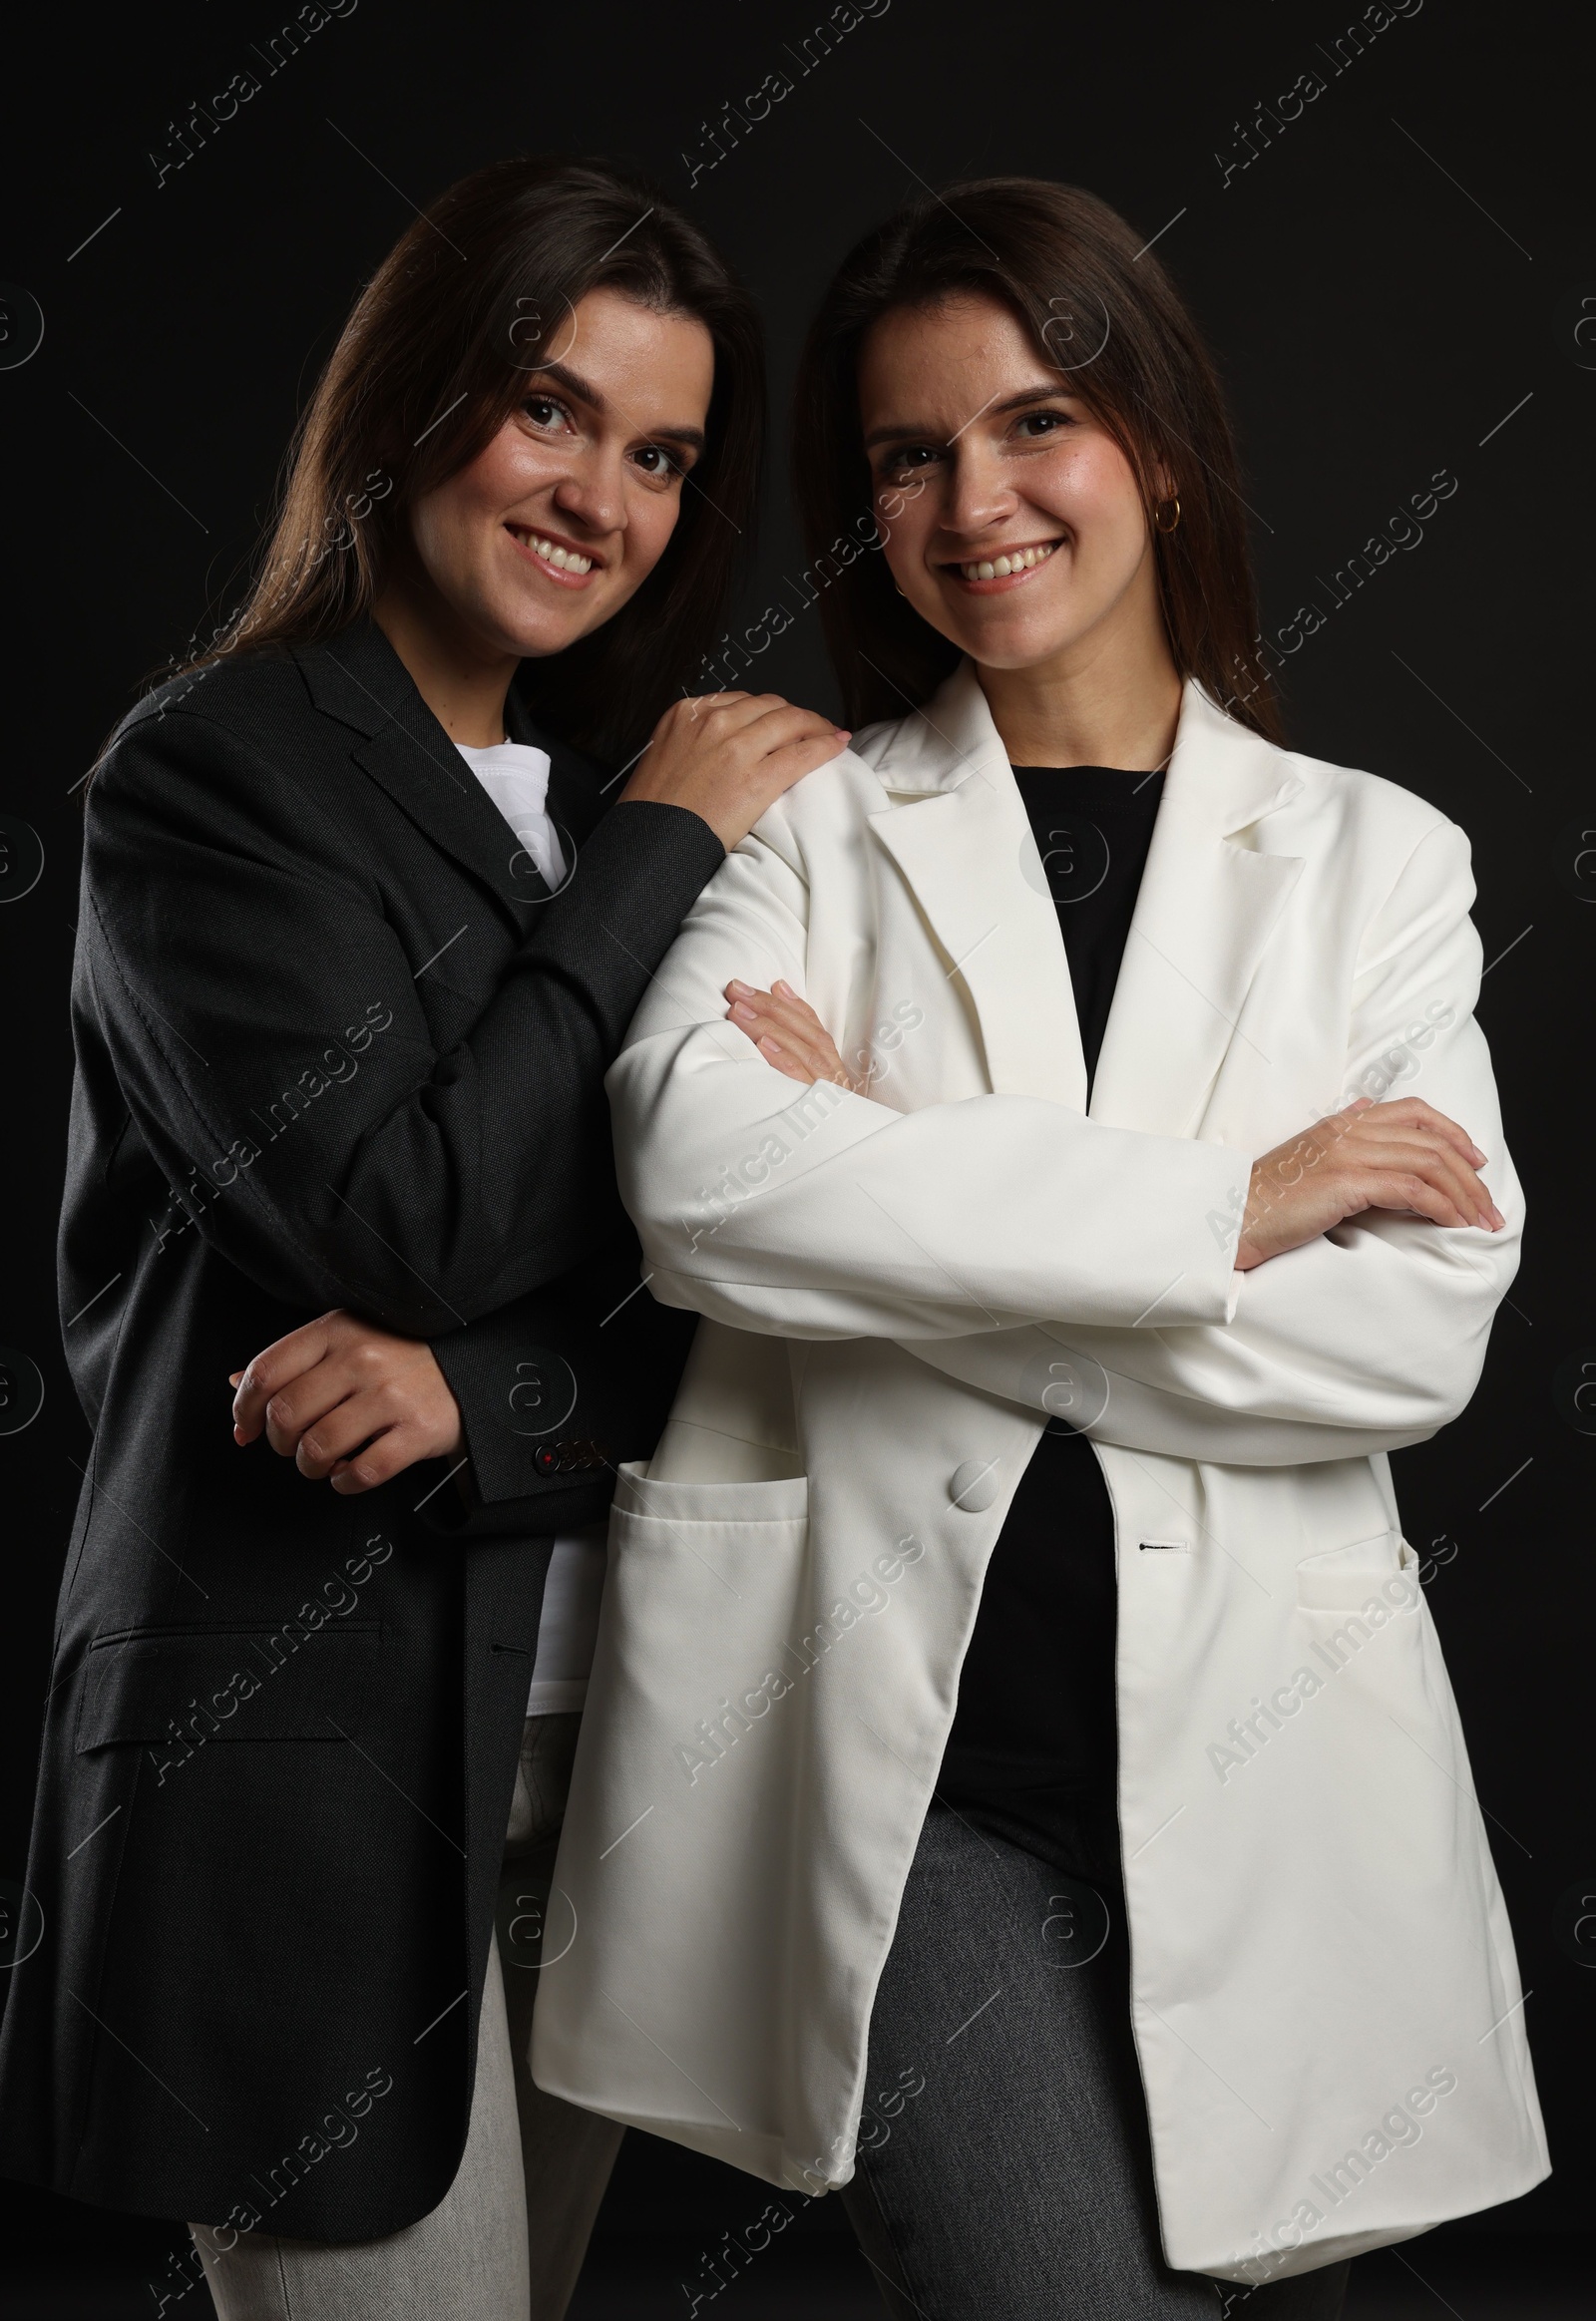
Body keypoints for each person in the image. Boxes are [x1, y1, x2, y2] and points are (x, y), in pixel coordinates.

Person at [529, 179, 1549, 2318]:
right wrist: (1229, 1214)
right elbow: (699, 1177)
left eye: (1030, 426)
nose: (971, 499)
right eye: (906, 456)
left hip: (1264, 1793)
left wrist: (897, 1191)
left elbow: (1409, 1336)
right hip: (897, 1798)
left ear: (1152, 447)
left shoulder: (1367, 859)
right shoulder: (802, 817)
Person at [0, 157, 846, 2321]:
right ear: (409, 404)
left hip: (599, 1759)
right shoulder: (215, 778)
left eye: (660, 455)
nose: (601, 497)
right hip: (298, 1775)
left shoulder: (589, 808)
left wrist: (483, 1390)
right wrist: (658, 844)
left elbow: (760, 1307)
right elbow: (406, 1204)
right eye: (547, 409)